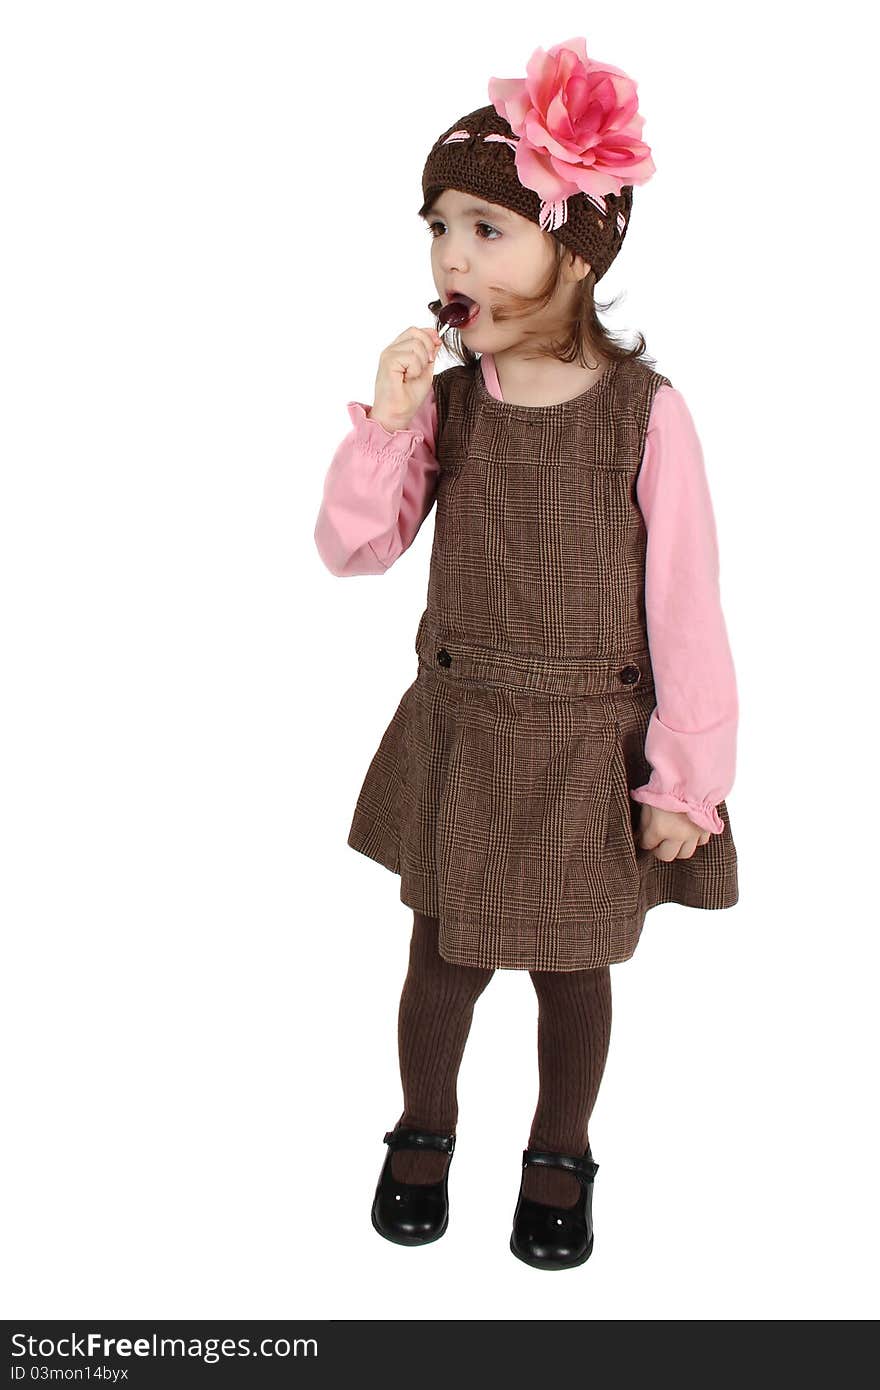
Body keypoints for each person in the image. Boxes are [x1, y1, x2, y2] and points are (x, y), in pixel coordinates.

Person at [314, 36, 739, 1271]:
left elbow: (687, 605)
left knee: (569, 963)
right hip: (467, 726)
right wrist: (386, 431)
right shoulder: (449, 403)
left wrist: (684, 783)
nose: (451, 253)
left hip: (582, 743)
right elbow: (355, 551)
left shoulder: (644, 412)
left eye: (487, 225)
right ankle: (423, 1124)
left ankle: (561, 1142)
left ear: (576, 244)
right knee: (444, 951)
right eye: (438, 223)